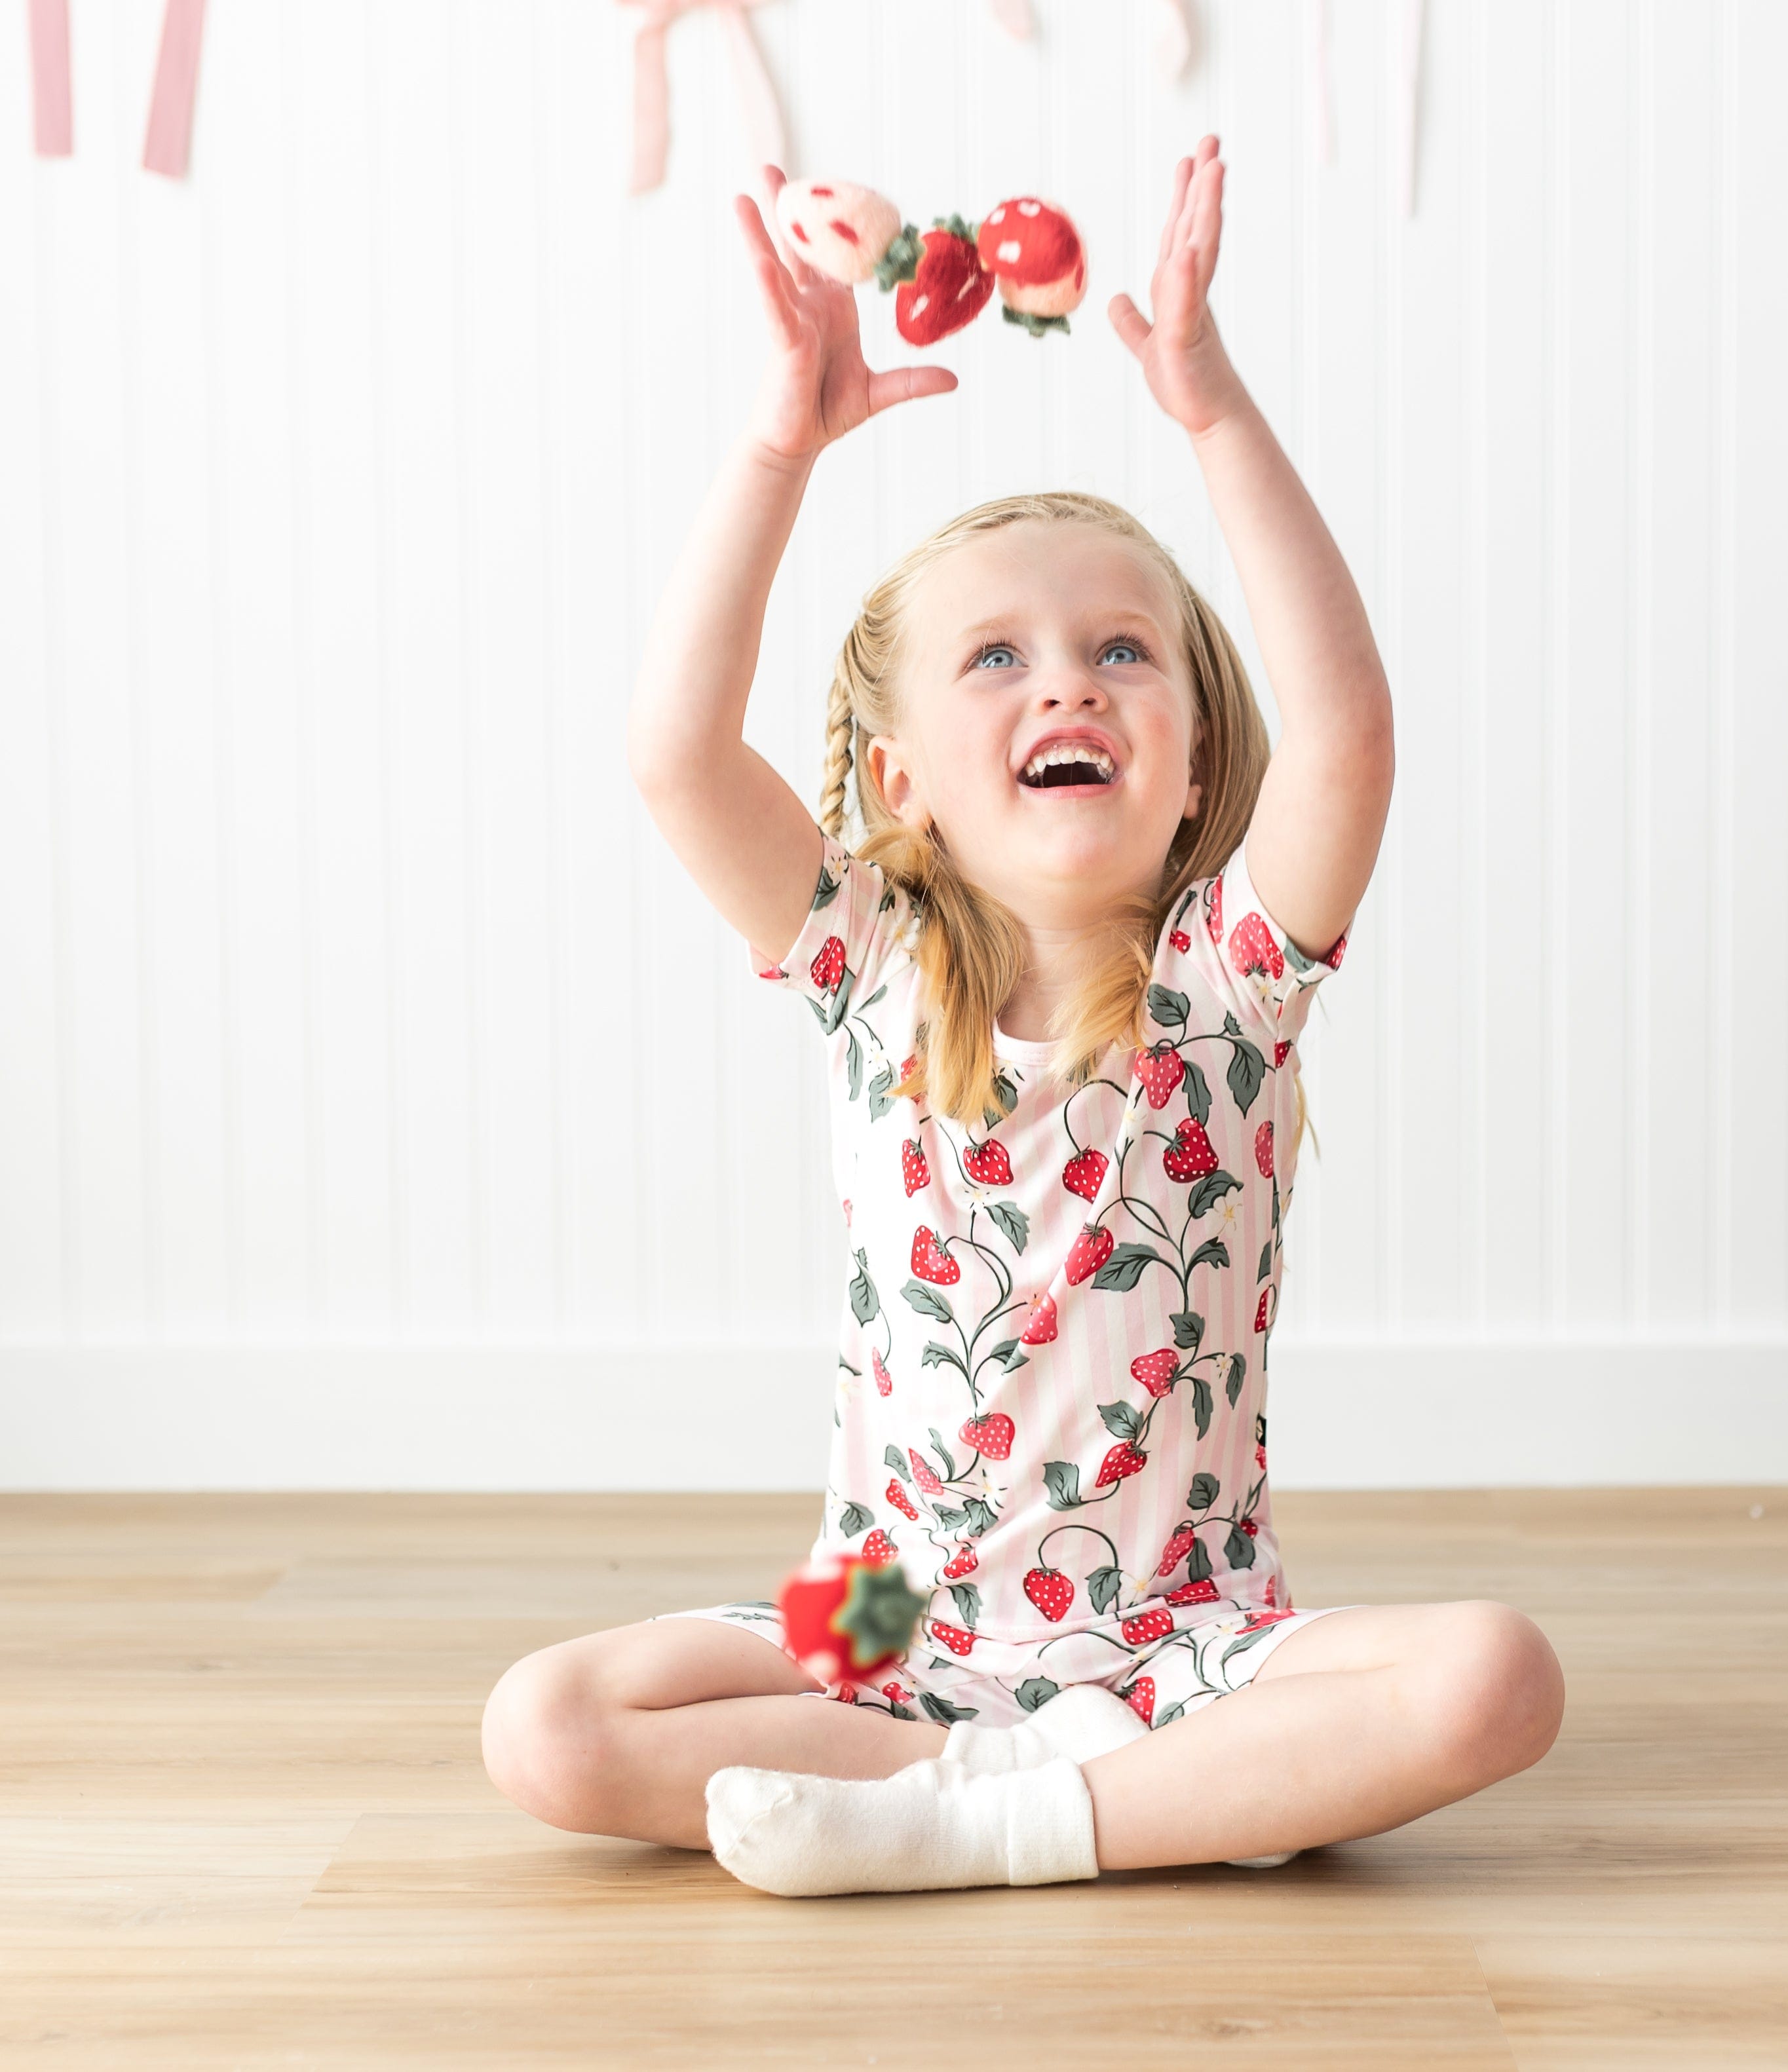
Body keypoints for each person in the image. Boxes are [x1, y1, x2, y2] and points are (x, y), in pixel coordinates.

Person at [480, 136, 1562, 1896]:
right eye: (997, 655)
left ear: (1192, 752)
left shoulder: (1231, 992)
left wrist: (1209, 412)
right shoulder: (869, 972)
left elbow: (1349, 727)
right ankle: (1024, 1786)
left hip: (1179, 1623)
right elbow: (675, 754)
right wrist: (775, 449)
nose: (1065, 673)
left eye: (1121, 650)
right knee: (546, 1723)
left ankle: (976, 1820)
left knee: (1493, 1675)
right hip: (885, 1600)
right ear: (901, 780)